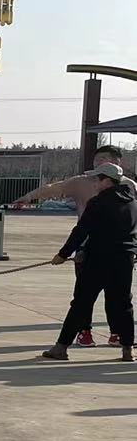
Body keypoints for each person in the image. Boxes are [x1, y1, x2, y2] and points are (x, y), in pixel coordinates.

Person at [17, 145, 136, 347]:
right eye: (97, 159)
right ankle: (89, 332)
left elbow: (81, 230)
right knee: (99, 297)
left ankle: (114, 334)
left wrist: (63, 254)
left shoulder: (124, 190)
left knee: (100, 297)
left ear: (117, 163)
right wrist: (29, 197)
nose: (98, 163)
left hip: (100, 253)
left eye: (104, 159)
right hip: (102, 251)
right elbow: (54, 188)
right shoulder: (82, 182)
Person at [41, 162, 136, 362]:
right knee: (123, 304)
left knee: (81, 303)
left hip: (98, 260)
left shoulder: (98, 203)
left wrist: (63, 254)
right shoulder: (133, 203)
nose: (94, 183)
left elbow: (81, 231)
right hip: (124, 260)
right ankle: (128, 349)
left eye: (97, 179)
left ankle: (61, 348)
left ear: (107, 181)